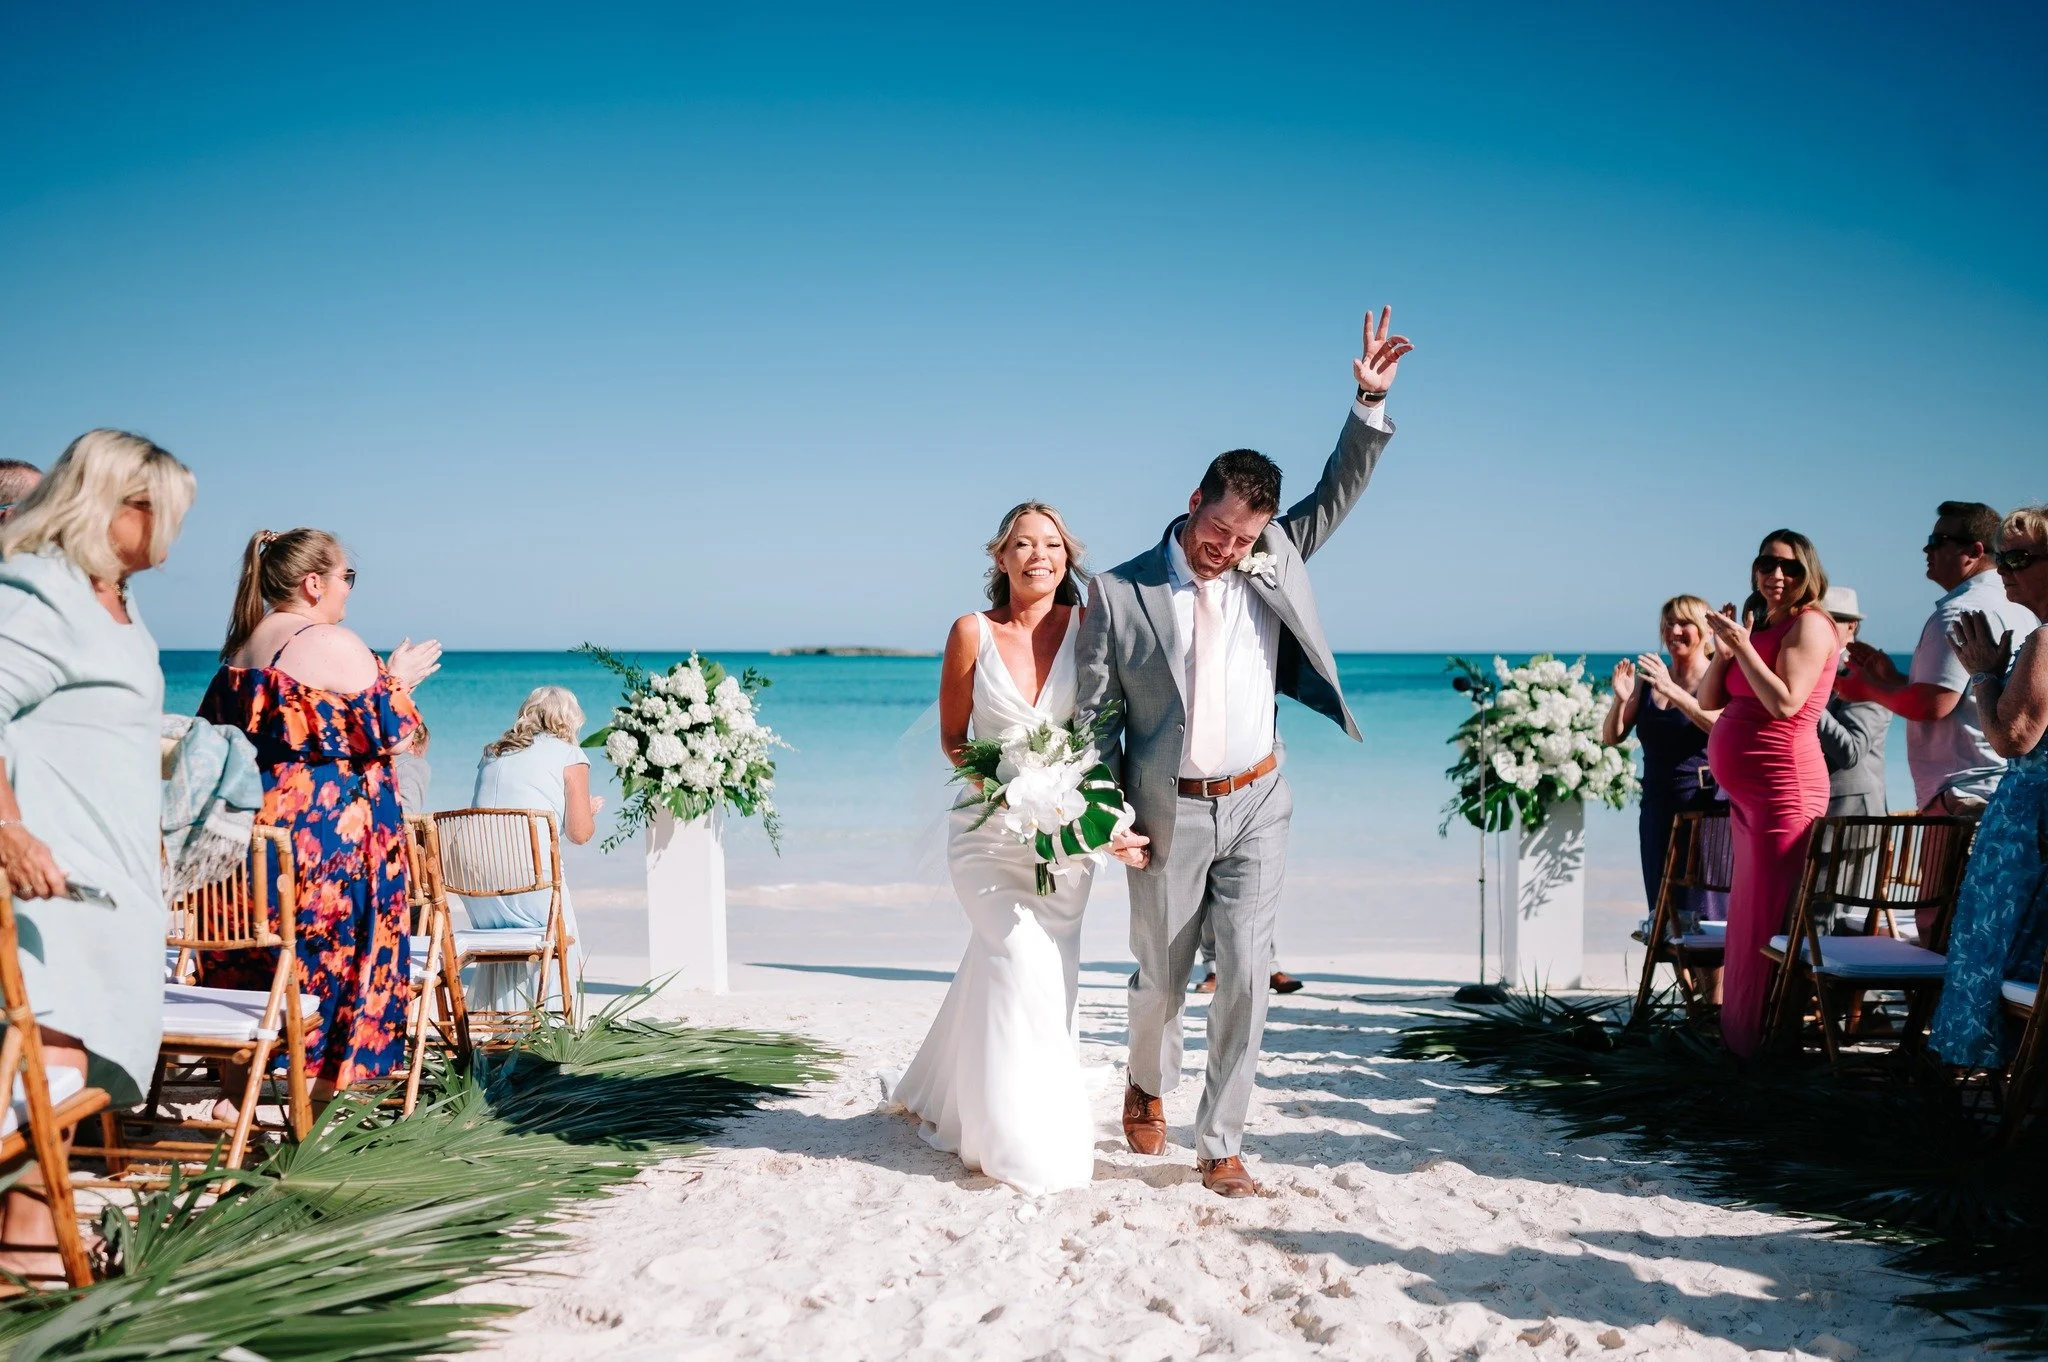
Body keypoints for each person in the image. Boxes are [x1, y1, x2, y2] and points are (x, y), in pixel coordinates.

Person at [1076, 306, 1411, 1198]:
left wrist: (1366, 403)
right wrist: (1107, 815)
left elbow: (1340, 488)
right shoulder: (1119, 592)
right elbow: (1090, 721)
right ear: (1193, 502)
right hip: (1166, 810)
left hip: (1261, 798)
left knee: (1248, 976)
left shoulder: (1277, 552)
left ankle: (1220, 1143)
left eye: (1245, 540)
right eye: (1218, 533)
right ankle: (1145, 1080)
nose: (1228, 552)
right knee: (1161, 980)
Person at [0, 430, 195, 1278]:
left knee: (65, 1079)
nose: (172, 534)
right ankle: (36, 1259)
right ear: (115, 504)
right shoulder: (43, 590)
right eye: (162, 512)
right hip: (53, 881)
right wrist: (8, 828)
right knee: (46, 1077)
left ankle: (34, 1260)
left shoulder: (110, 595)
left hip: (108, 881)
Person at [886, 501, 1117, 1194]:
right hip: (987, 834)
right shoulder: (971, 632)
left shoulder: (1091, 630)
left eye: (1051, 544)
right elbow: (955, 740)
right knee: (1017, 960)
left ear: (1067, 557)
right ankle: (1022, 1142)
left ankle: (959, 1098)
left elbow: (1110, 732)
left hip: (1066, 839)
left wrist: (1092, 814)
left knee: (1047, 979)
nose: (1038, 555)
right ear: (1000, 557)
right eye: (1023, 544)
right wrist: (1010, 782)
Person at [198, 528, 441, 1097]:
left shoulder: (241, 650)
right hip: (326, 846)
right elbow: (397, 733)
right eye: (345, 577)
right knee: (334, 964)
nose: (348, 592)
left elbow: (210, 740)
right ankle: (320, 1095)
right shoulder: (332, 642)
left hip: (250, 841)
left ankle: (243, 1092)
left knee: (261, 960)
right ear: (313, 584)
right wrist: (398, 678)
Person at [1700, 530, 1837, 1058]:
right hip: (1749, 797)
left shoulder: (1810, 624)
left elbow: (1785, 703)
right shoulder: (1761, 626)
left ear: (1809, 574)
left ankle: (1761, 1049)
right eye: (1766, 564)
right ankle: (1741, 1041)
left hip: (1785, 789)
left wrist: (1742, 649)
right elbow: (1711, 699)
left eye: (1790, 567)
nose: (1776, 575)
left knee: (1768, 920)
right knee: (1748, 918)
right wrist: (1723, 652)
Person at [1928, 505, 2048, 1068]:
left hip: (2029, 827)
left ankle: (1995, 1085)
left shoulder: (2047, 639)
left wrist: (1980, 671)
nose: (2005, 568)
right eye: (2003, 555)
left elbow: (2012, 739)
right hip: (2029, 819)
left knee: (1999, 952)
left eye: (2021, 557)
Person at [1840, 502, 2039, 813]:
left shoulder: (1960, 611)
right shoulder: (2019, 605)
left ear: (1973, 551)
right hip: (2007, 786)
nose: (1925, 549)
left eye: (1937, 541)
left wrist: (1867, 689)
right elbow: (1964, 697)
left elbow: (1932, 704)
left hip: (1964, 792)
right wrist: (1893, 680)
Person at [467, 686, 603, 1010]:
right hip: (531, 882)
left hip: (475, 886)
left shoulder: (492, 753)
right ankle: (555, 1028)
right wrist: (585, 811)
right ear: (569, 721)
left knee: (513, 938)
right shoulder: (570, 755)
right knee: (561, 938)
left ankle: (503, 1023)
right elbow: (580, 834)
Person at [1603, 594, 1723, 922]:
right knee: (1664, 912)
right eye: (1668, 623)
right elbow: (1611, 736)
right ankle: (1682, 976)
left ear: (1706, 631)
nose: (1675, 630)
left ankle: (1714, 976)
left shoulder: (1718, 676)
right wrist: (1620, 699)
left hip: (1704, 807)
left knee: (1705, 915)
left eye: (1685, 622)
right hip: (1656, 806)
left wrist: (1672, 690)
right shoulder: (1649, 679)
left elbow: (1719, 727)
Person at [1817, 587, 1890, 818]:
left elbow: (1851, 751)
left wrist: (1807, 701)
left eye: (1828, 621)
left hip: (1851, 817)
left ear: (1851, 626)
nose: (1816, 628)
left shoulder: (1865, 672)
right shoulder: (1812, 670)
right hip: (1810, 810)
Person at [394, 718, 432, 815]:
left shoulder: (374, 764)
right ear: (411, 744)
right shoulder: (413, 764)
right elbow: (406, 814)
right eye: (424, 750)